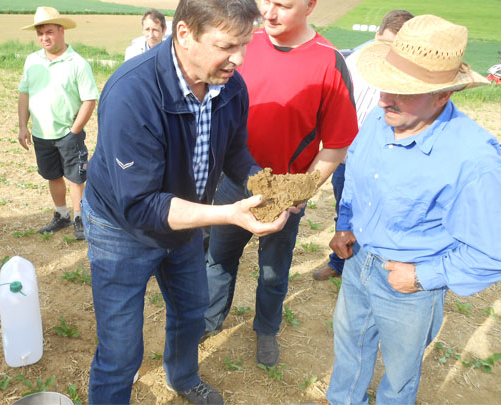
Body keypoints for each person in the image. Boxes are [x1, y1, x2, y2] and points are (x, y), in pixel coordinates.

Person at [81, 1, 298, 404]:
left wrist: (266, 188)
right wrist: (230, 214)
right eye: (226, 45)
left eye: (244, 44)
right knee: (121, 348)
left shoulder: (230, 85)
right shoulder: (132, 92)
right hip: (121, 231)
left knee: (192, 309)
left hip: (184, 223)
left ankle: (182, 377)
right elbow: (141, 206)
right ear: (184, 34)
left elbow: (235, 153)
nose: (239, 58)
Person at [326, 14, 501, 404]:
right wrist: (345, 222)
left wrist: (422, 276)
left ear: (443, 95)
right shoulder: (378, 118)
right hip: (357, 263)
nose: (385, 98)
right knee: (349, 354)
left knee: (400, 377)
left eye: (403, 91)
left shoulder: (474, 160)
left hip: (409, 286)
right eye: (386, 85)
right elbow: (355, 168)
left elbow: (492, 252)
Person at [203, 0, 358, 368]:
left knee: (273, 268)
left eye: (283, 5)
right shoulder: (244, 46)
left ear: (309, 5)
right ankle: (209, 321)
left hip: (284, 194)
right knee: (218, 258)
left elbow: (336, 145)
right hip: (231, 182)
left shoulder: (328, 61)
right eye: (265, 2)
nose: (269, 13)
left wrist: (298, 192)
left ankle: (267, 328)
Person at [313, 9, 414, 280]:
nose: (389, 52)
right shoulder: (351, 61)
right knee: (343, 209)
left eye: (397, 48)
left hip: (387, 157)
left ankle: (371, 270)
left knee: (381, 214)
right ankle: (340, 263)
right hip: (346, 154)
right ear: (376, 34)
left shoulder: (409, 75)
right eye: (385, 44)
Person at [18, 7, 98, 240]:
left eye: (49, 32)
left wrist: (74, 131)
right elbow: (24, 94)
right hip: (41, 134)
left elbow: (89, 100)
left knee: (75, 178)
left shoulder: (77, 62)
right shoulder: (32, 61)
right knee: (52, 176)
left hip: (68, 134)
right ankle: (61, 215)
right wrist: (23, 126)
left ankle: (79, 217)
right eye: (40, 33)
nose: (45, 37)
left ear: (62, 31)